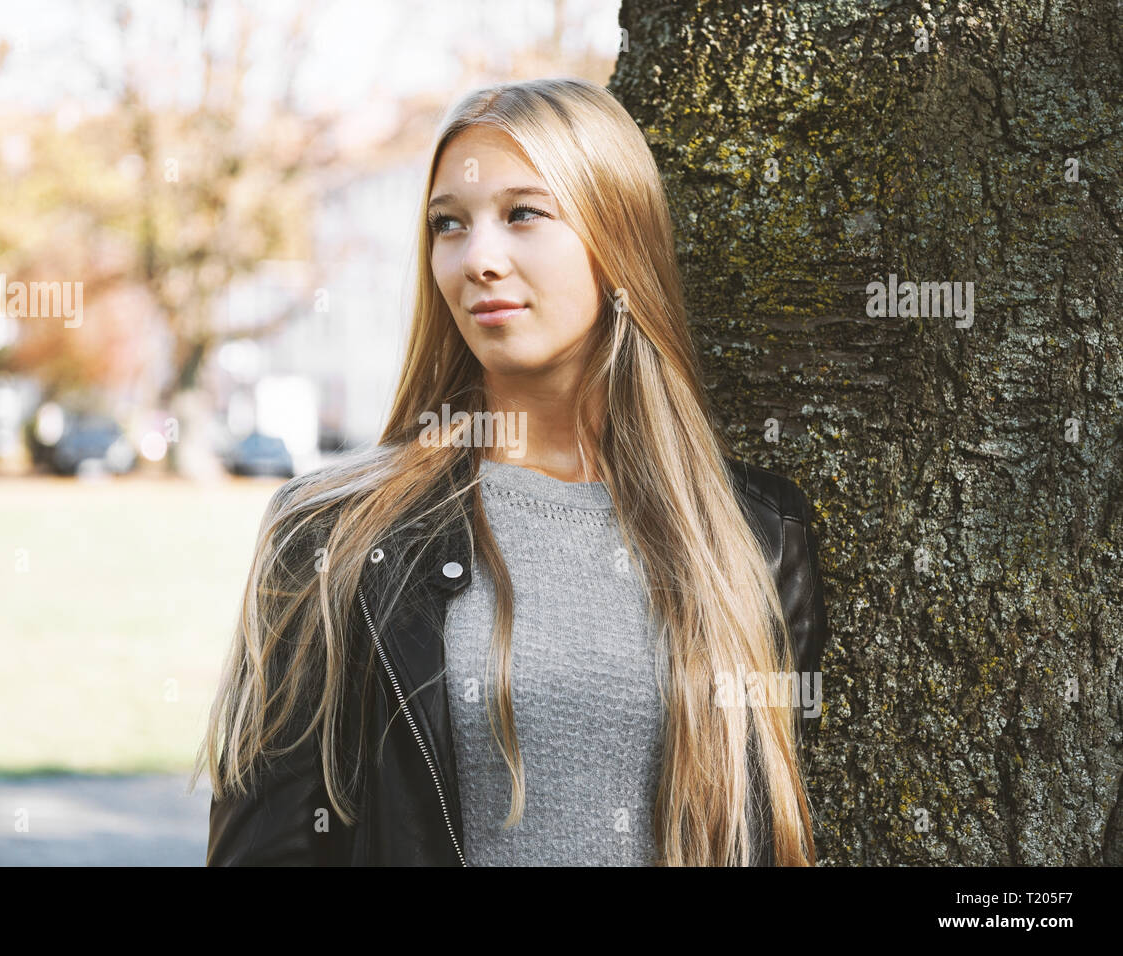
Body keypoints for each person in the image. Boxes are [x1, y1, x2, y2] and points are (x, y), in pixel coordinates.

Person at [193, 76, 830, 866]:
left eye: (523, 214)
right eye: (448, 225)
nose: (478, 260)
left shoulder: (758, 535)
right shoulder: (333, 530)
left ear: (617, 234)